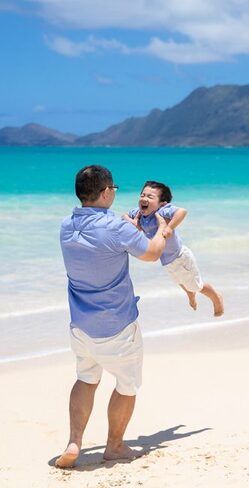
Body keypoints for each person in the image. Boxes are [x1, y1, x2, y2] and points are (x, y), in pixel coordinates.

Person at [55, 165, 167, 468]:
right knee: (127, 385)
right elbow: (152, 253)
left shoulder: (66, 225)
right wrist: (165, 230)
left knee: (86, 379)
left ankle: (74, 442)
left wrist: (129, 228)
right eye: (113, 189)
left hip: (80, 325)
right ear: (106, 192)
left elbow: (102, 239)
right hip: (117, 326)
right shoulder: (117, 228)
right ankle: (115, 445)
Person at [123, 180, 224, 317]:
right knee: (179, 280)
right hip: (167, 260)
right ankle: (190, 293)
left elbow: (182, 211)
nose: (144, 199)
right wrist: (133, 222)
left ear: (162, 203)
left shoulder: (162, 211)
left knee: (196, 285)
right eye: (142, 195)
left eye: (150, 197)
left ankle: (216, 297)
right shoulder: (140, 213)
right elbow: (124, 216)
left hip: (180, 257)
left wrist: (169, 227)